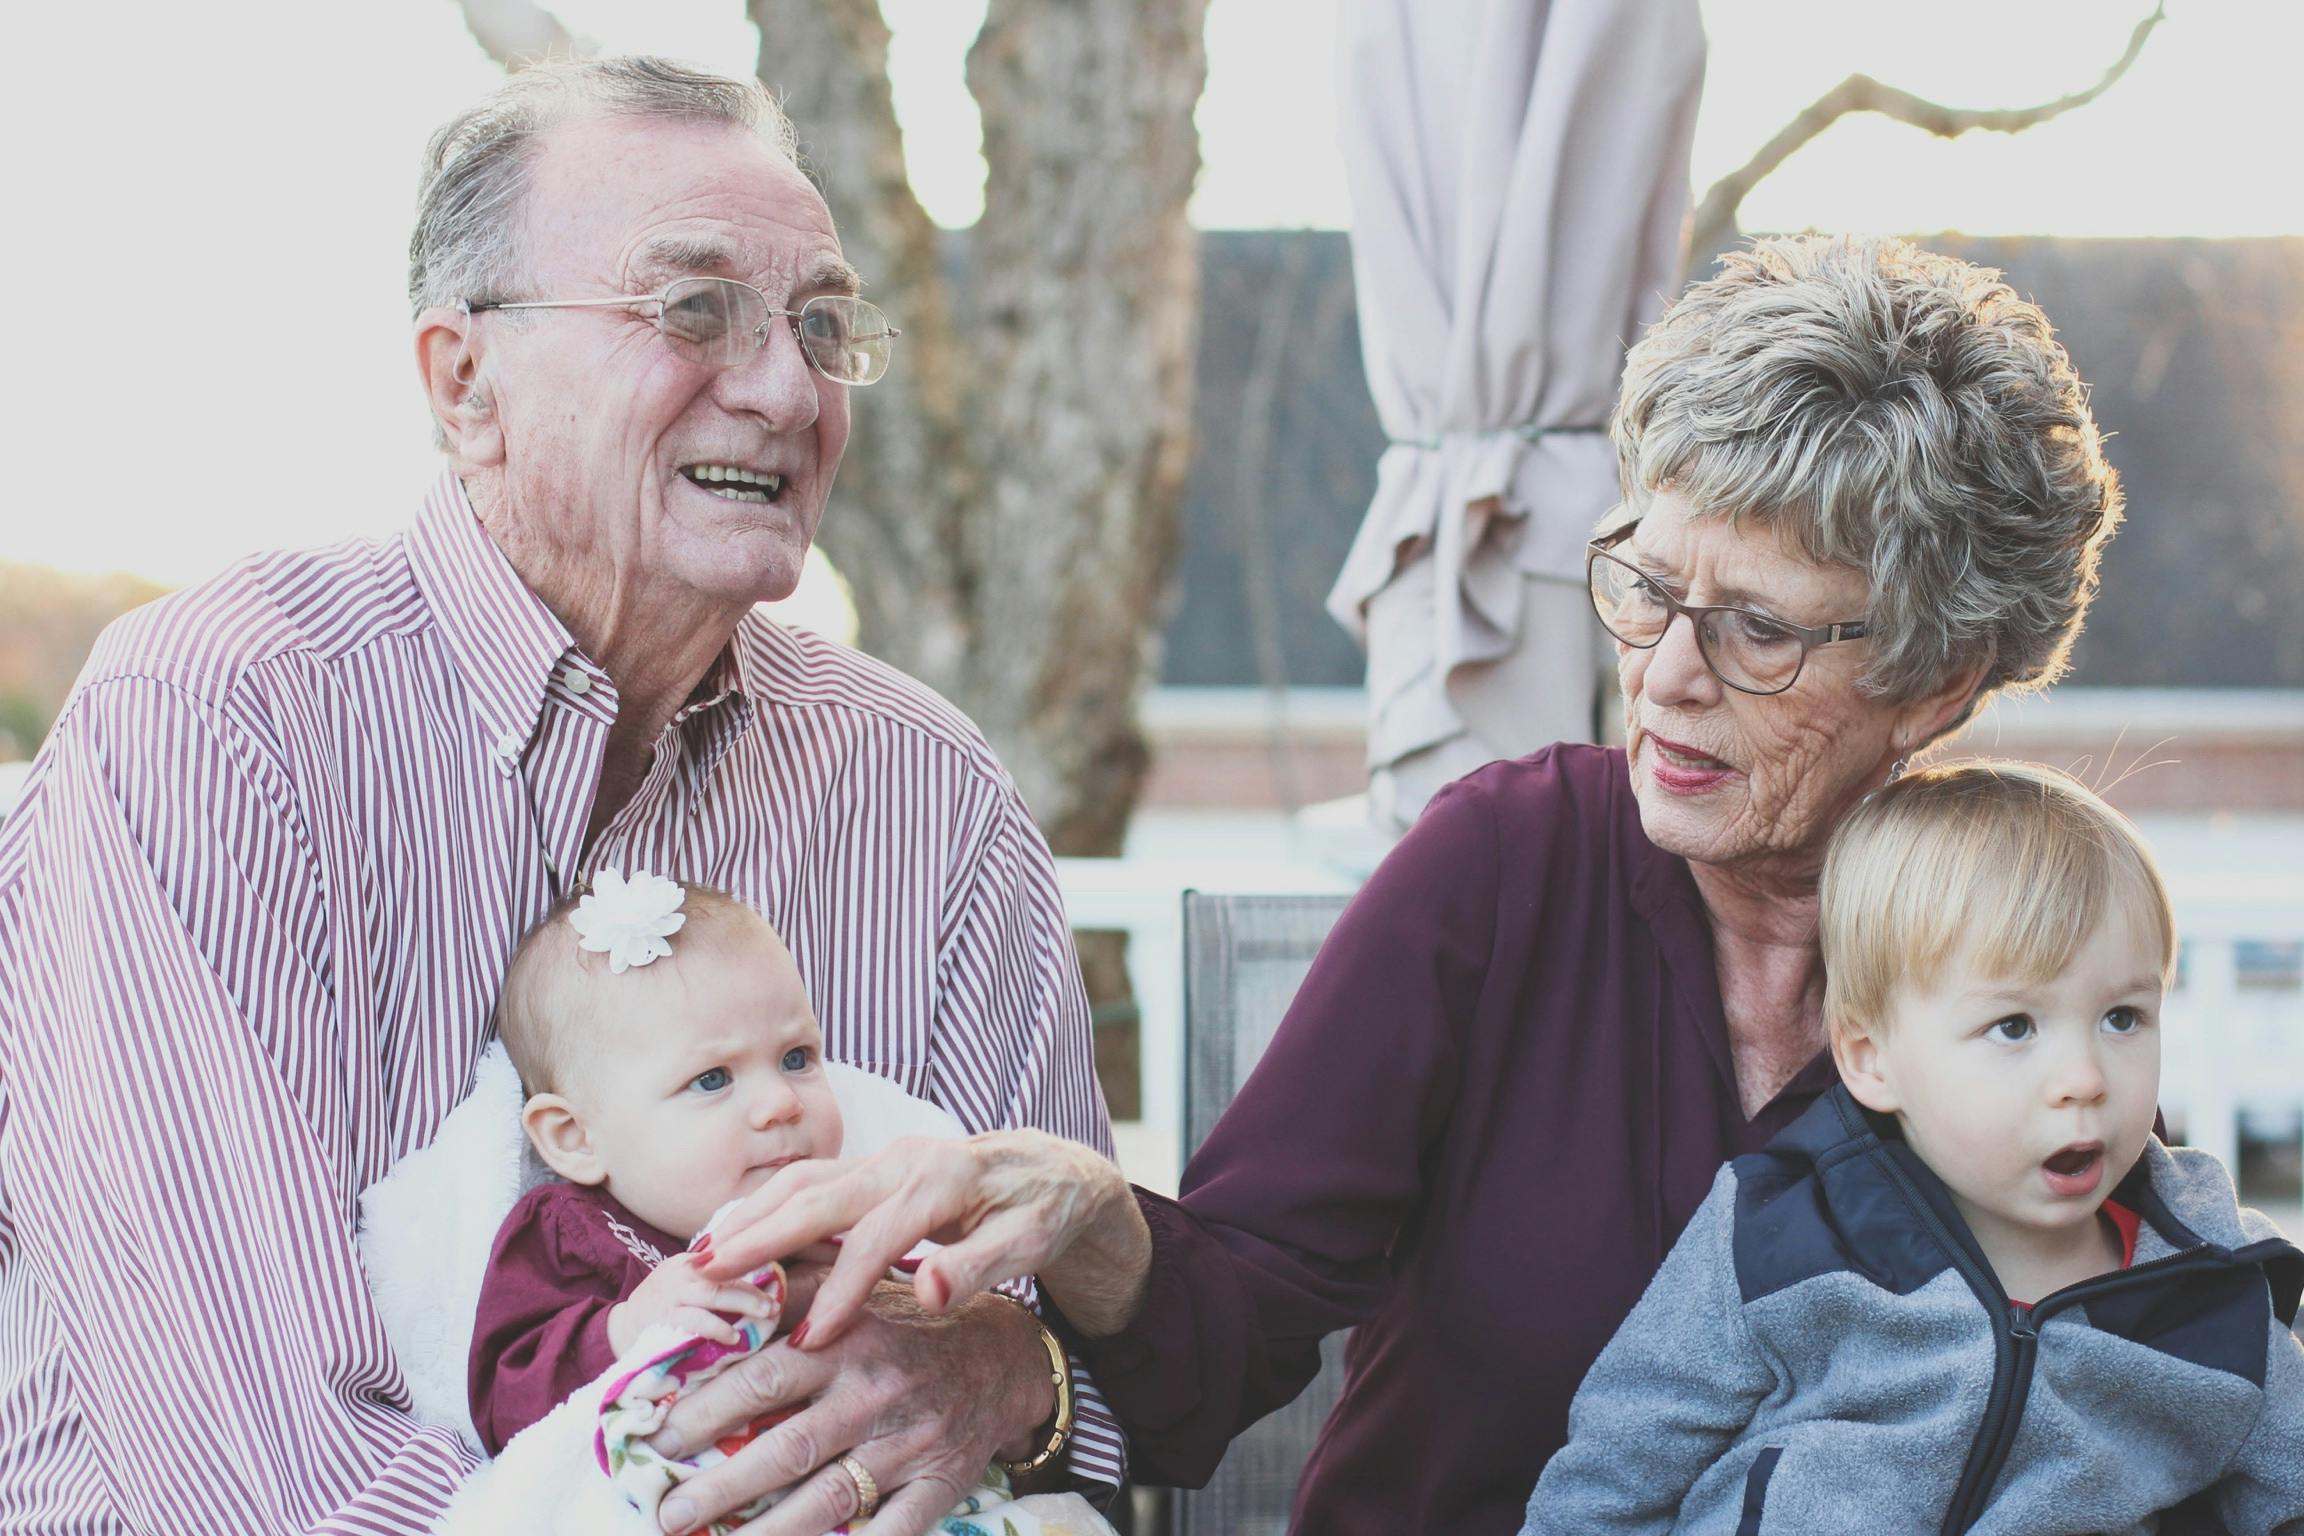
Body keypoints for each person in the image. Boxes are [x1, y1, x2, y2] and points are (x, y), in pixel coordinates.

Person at [692, 234, 2136, 1533]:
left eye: (1759, 629)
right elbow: (1225, 1339)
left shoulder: (2033, 953)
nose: (1666, 676)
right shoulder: (1508, 868)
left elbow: (2127, 1362)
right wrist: (1094, 1211)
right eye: (1643, 584)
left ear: (1936, 682)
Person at [0, 57, 1119, 1536]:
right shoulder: (222, 720)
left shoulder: (927, 790)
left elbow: (1084, 1387)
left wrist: (1012, 1372)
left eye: (822, 325)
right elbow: (255, 1470)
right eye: (694, 308)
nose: (788, 387)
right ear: (468, 384)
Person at [1523, 762, 2304, 1532]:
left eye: (2123, 1017)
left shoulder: (2214, 1296)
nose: (2084, 1078)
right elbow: (1616, 1471)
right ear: (1870, 1058)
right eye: (2015, 1027)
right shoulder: (1784, 1236)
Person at [468, 873, 838, 1455]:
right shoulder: (575, 1233)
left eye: (797, 1057)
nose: (782, 1102)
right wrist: (627, 1329)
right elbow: (503, 1402)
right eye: (712, 1079)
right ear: (576, 1138)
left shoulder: (845, 1211)